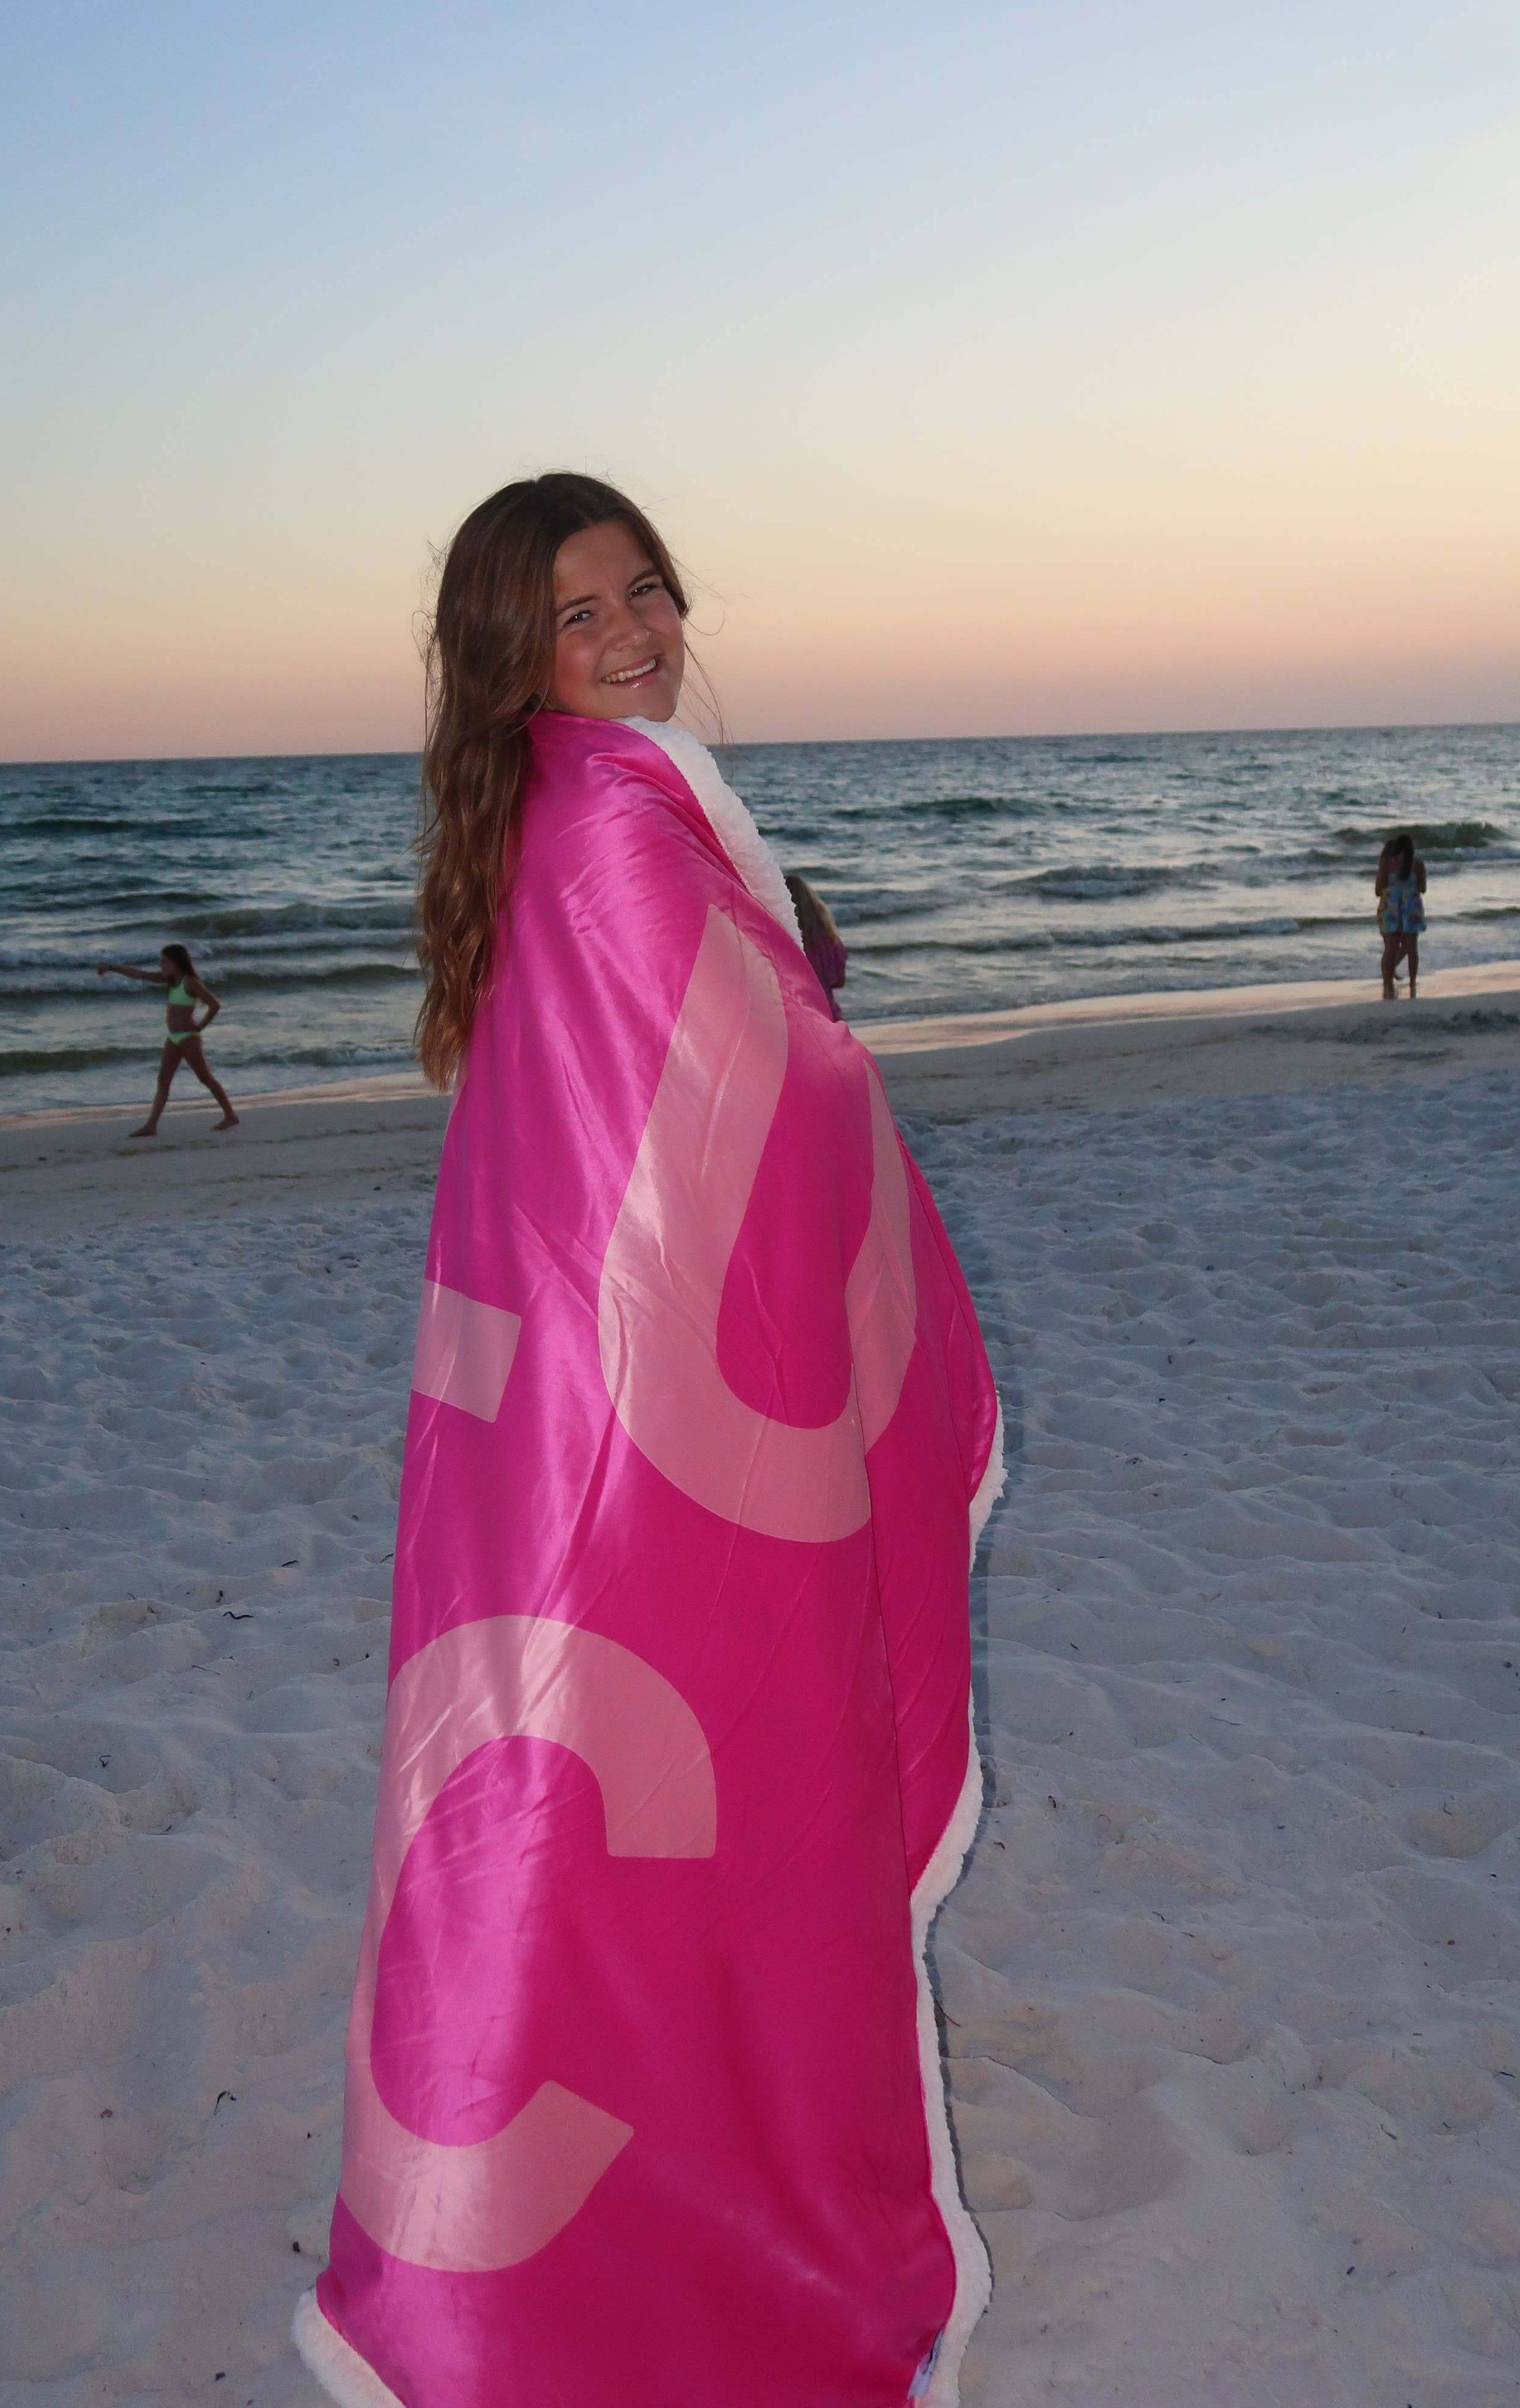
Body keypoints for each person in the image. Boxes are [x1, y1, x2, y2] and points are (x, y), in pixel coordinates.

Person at [293, 475, 1001, 2408]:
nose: (625, 632)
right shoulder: (609, 811)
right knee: (715, 1814)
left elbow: (636, 1102)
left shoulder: (541, 807)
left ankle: (510, 2254)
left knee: (584, 1845)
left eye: (642, 589)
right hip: (646, 1434)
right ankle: (638, 2255)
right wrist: (811, 1009)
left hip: (561, 1418)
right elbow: (761, 1083)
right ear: (505, 654)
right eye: (571, 610)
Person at [94, 943, 238, 1132]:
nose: (161, 966)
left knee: (205, 1077)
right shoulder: (170, 981)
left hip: (188, 1038)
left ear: (177, 963)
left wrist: (200, 1026)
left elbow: (214, 1005)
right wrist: (112, 968)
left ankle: (230, 1115)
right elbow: (140, 974)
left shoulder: (190, 982)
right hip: (173, 1038)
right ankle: (151, 1125)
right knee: (163, 1079)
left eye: (165, 962)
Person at [786, 869, 848, 1018]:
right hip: (828, 1014)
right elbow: (839, 980)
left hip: (799, 1015)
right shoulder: (828, 937)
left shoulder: (785, 941)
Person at [1374, 833, 1428, 998]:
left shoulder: (1388, 865)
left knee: (1390, 947)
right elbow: (1423, 888)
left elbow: (1378, 890)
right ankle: (1412, 983)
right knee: (1412, 948)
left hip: (1391, 909)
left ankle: (1387, 983)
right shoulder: (1418, 864)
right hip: (1411, 908)